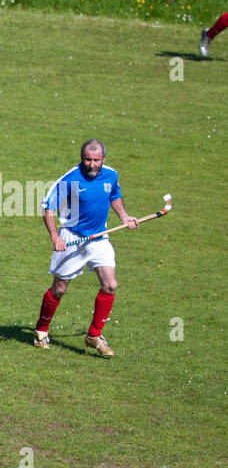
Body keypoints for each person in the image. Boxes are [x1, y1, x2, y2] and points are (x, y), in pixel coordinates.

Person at [32, 139, 139, 357]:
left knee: (110, 285)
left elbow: (114, 196)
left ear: (103, 159)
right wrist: (55, 237)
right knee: (59, 289)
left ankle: (93, 336)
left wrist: (125, 216)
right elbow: (48, 208)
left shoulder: (111, 175)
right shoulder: (70, 178)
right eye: (87, 160)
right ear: (82, 158)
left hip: (99, 239)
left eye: (96, 160)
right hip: (71, 237)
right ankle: (41, 330)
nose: (91, 164)